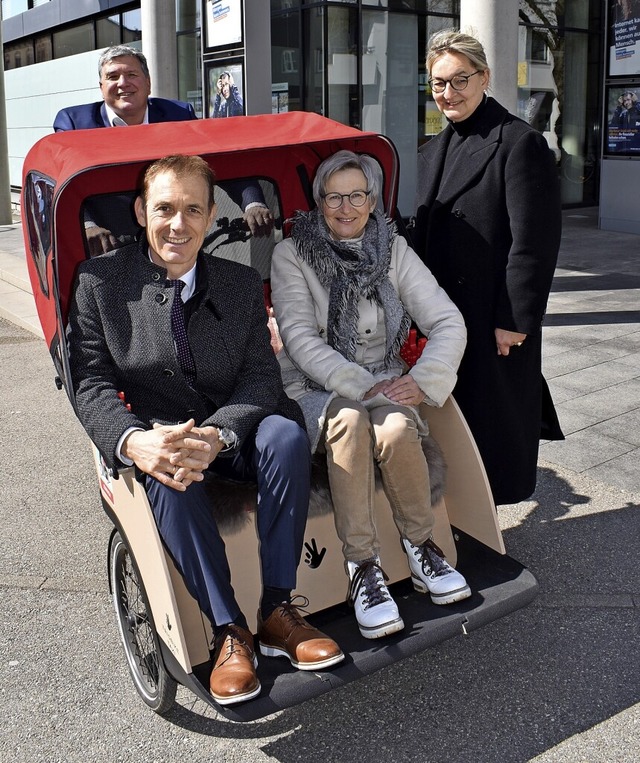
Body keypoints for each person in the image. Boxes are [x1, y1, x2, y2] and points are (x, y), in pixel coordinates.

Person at [67, 154, 344, 706]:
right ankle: (228, 631)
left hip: (233, 435)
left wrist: (216, 436)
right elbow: (90, 382)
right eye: (165, 208)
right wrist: (133, 442)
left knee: (286, 435)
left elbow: (263, 383)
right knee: (169, 475)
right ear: (142, 212)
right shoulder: (98, 282)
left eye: (194, 209)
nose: (179, 223)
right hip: (159, 437)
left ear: (212, 213)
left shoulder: (239, 283)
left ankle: (277, 612)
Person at [270, 150, 471, 641]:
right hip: (315, 387)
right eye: (334, 196)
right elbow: (300, 338)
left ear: (372, 199)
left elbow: (448, 321)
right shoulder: (291, 254)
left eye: (357, 195)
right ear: (318, 201)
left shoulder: (394, 250)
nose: (346, 207)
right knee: (349, 421)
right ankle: (363, 566)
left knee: (401, 426)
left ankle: (420, 547)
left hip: (384, 380)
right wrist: (366, 388)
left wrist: (422, 380)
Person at [413, 30, 563, 506]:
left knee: (491, 423)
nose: (448, 93)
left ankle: (484, 523)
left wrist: (514, 321)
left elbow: (534, 244)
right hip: (438, 314)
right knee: (449, 420)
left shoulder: (519, 143)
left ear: (485, 77)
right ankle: (452, 511)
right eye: (438, 83)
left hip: (488, 313)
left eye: (460, 80)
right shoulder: (428, 150)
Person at [53, 46, 273, 255]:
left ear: (148, 83)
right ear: (101, 87)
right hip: (108, 245)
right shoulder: (73, 123)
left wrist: (252, 203)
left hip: (174, 237)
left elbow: (218, 160)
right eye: (112, 77)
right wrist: (87, 225)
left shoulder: (178, 114)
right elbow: (63, 184)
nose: (123, 83)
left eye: (131, 74)